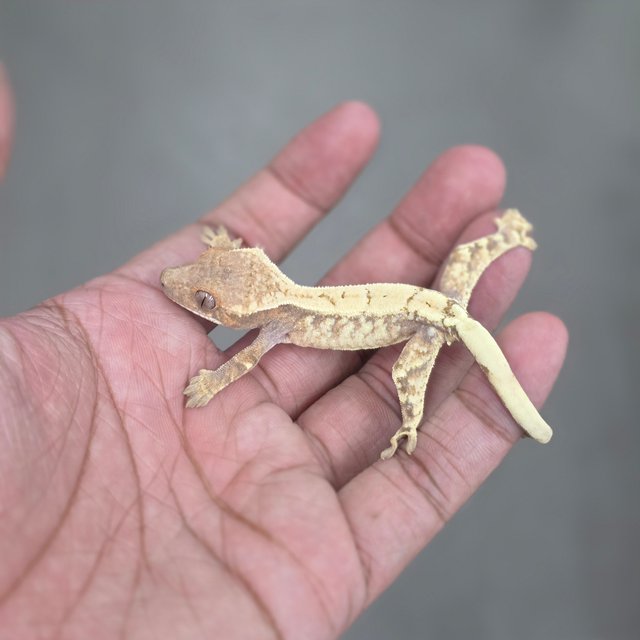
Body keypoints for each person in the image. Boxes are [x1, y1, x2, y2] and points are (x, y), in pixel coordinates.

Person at [0, 66, 566, 638]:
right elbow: (252, 267)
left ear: (246, 315)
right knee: (461, 270)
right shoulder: (272, 295)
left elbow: (242, 361)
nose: (179, 286)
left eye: (205, 301)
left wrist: (211, 383)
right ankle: (506, 238)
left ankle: (415, 420)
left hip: (423, 322)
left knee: (406, 379)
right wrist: (222, 256)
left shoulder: (275, 324)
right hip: (430, 303)